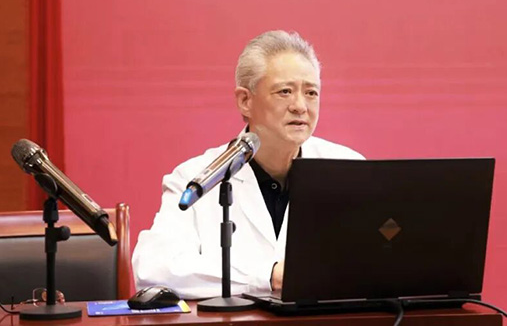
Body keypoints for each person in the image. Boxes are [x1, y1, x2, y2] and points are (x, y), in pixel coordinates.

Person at [132, 30, 363, 299]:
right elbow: (154, 268)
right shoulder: (196, 177)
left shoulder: (349, 169)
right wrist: (267, 276)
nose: (300, 106)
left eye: (311, 93)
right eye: (285, 92)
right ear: (245, 101)